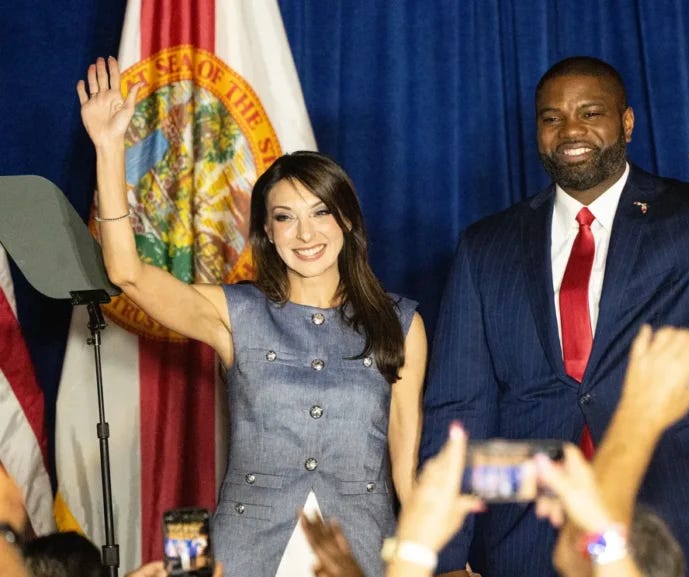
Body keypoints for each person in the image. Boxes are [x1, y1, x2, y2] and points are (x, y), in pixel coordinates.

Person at [420, 55, 689, 577]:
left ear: (626, 122)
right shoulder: (485, 246)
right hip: (531, 535)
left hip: (683, 514)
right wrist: (443, 554)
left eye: (590, 113)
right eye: (552, 118)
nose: (570, 130)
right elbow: (460, 406)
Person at [77, 57, 427, 577]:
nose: (305, 235)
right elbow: (126, 273)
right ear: (266, 232)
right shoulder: (234, 311)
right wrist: (109, 149)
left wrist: (422, 557)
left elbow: (406, 462)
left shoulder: (399, 321)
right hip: (245, 553)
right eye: (285, 218)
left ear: (348, 221)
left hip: (362, 550)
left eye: (321, 213)